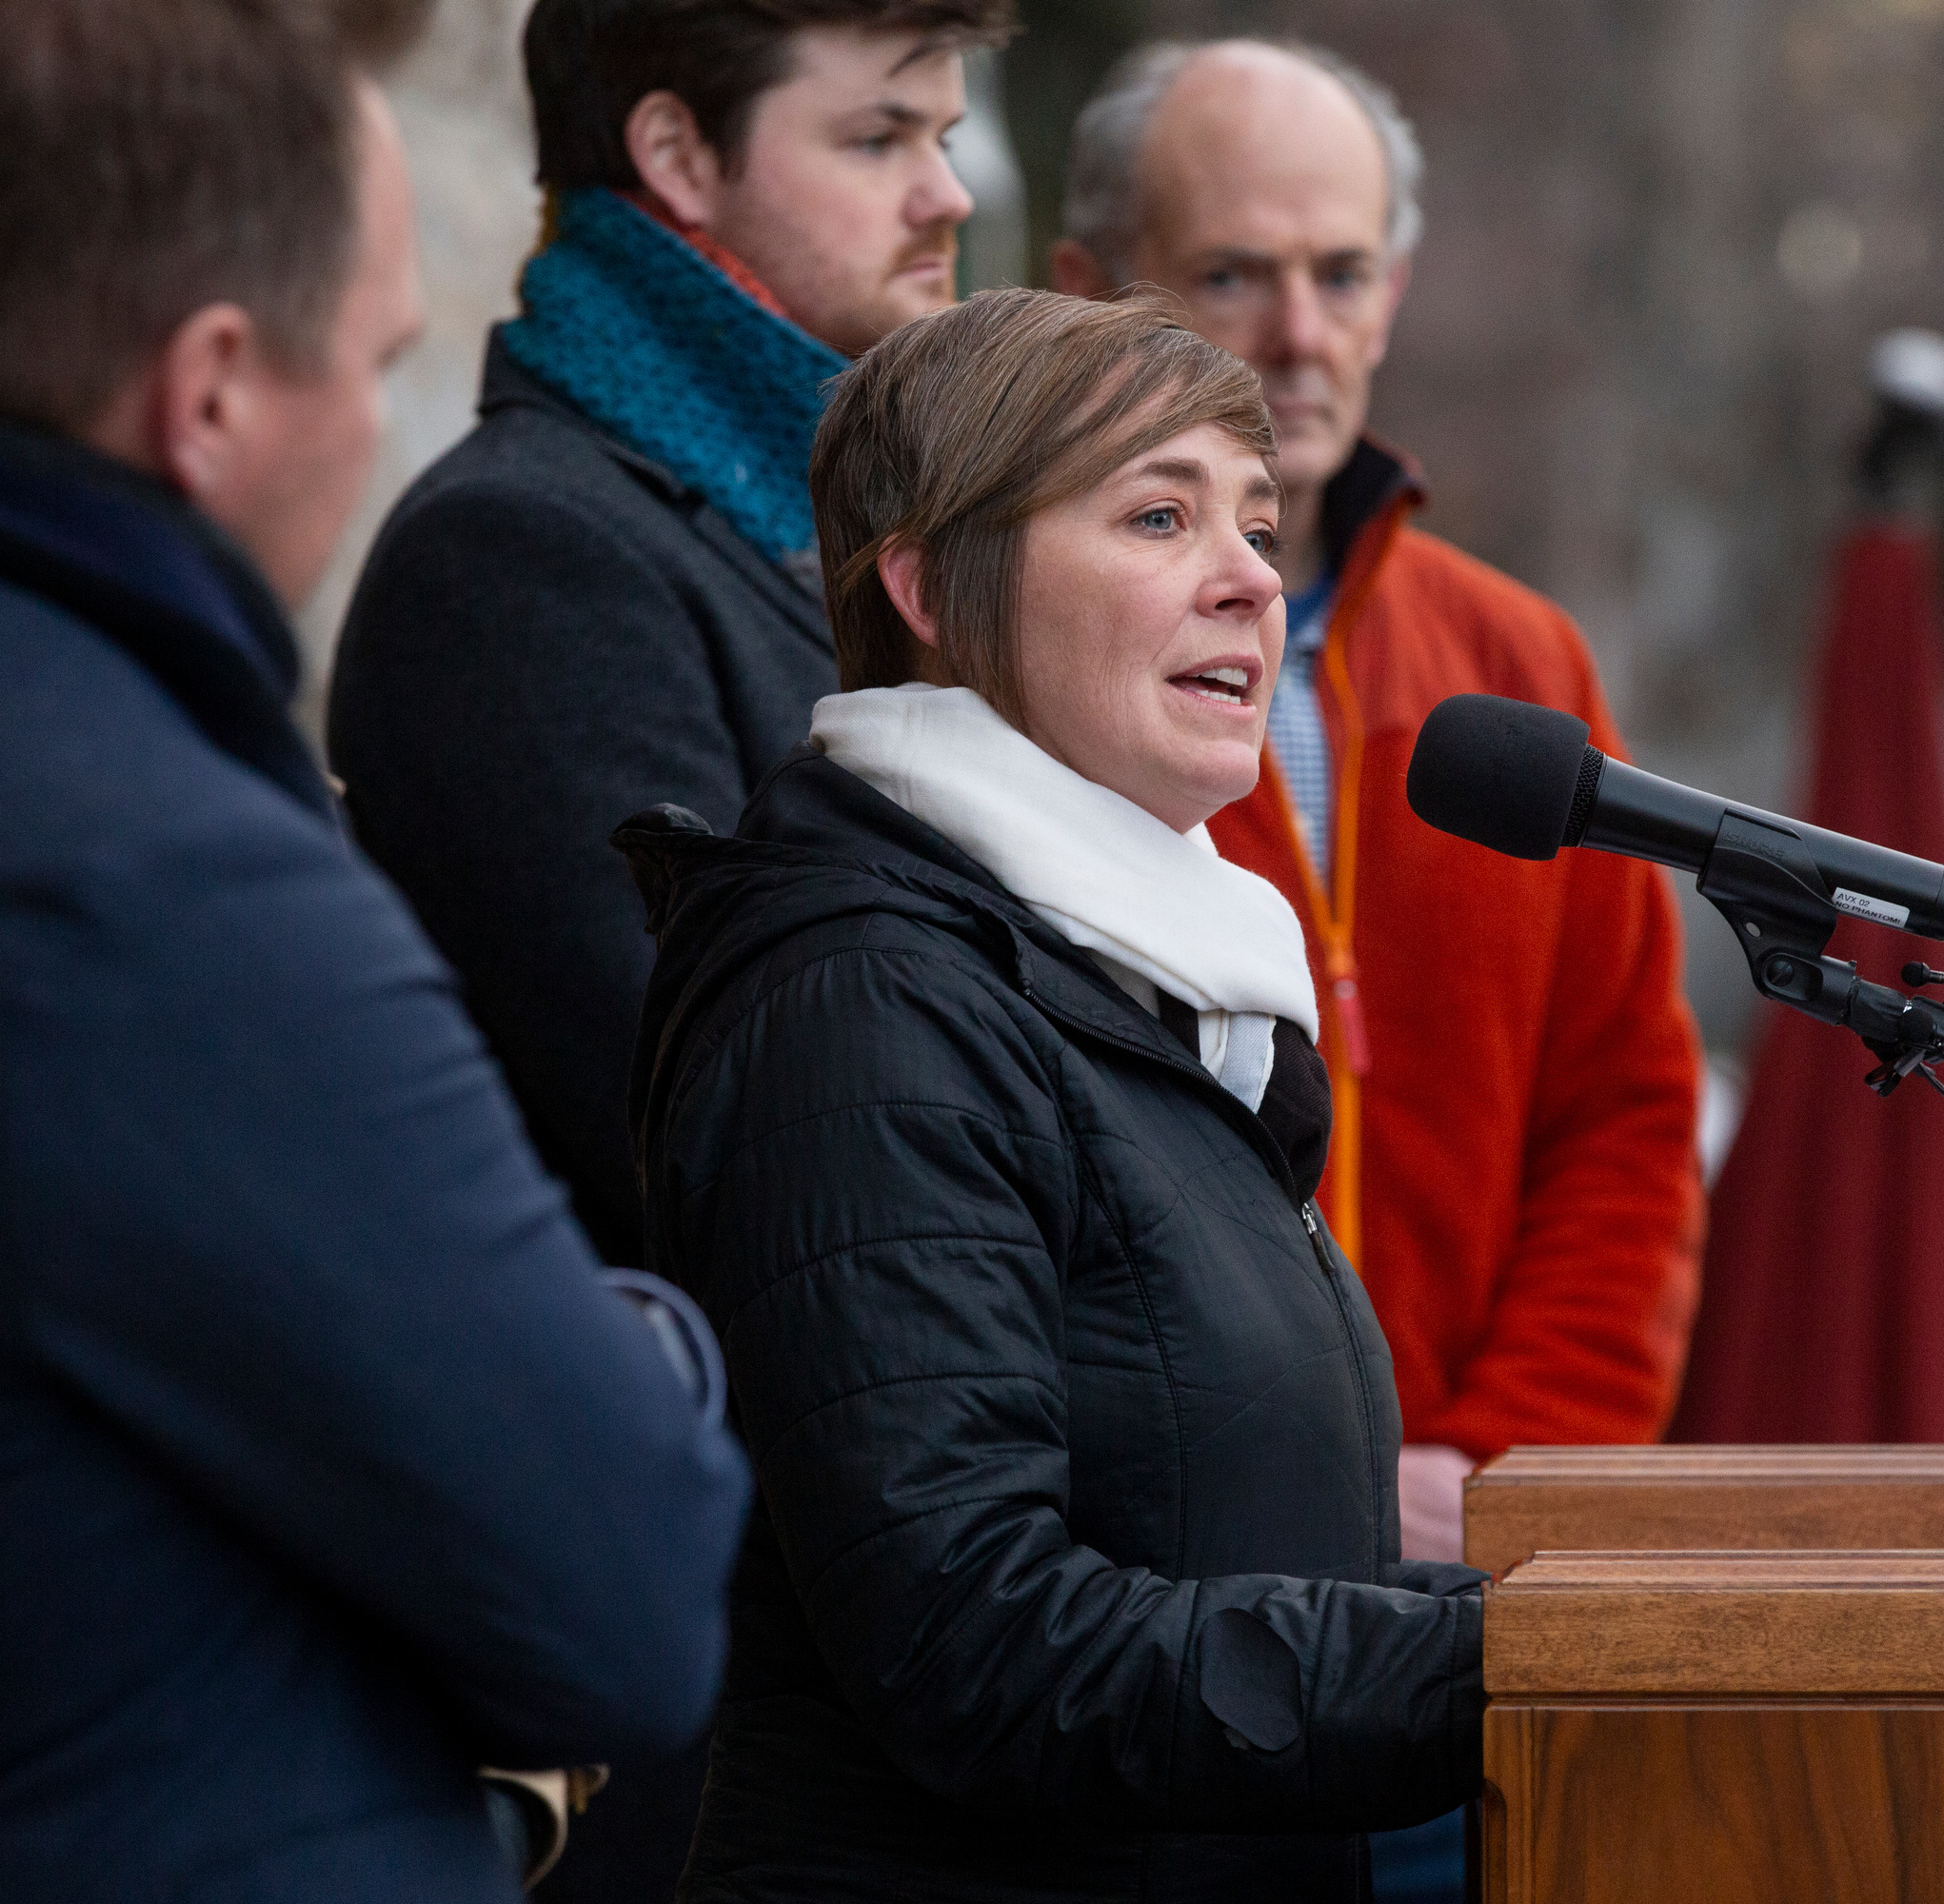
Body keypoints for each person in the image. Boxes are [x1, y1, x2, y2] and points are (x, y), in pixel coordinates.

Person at [0, 4, 752, 1899]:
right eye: (378, 360)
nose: (382, 423)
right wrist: (651, 1355)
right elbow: (621, 1588)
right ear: (208, 391)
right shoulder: (135, 886)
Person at [617, 286, 1484, 1902]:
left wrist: (1602, 1627)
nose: (1249, 579)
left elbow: (1233, 1550)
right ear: (932, 583)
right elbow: (978, 1637)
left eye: (1256, 521)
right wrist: (1504, 1680)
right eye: (1160, 515)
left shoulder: (1139, 991)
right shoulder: (865, 1003)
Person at [1053, 39, 1708, 1538]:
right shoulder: (1022, 675)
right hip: (1152, 1586)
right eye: (1231, 276)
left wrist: (1500, 1472)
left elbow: (1626, 1120)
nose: (1297, 334)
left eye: (1344, 275)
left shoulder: (1518, 659)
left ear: (1394, 293)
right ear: (1088, 289)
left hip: (1488, 1563)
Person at [328, 0, 1013, 1275]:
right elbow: (710, 1125)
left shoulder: (831, 528)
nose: (946, 196)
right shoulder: (522, 558)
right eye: (879, 139)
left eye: (945, 137)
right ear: (679, 155)